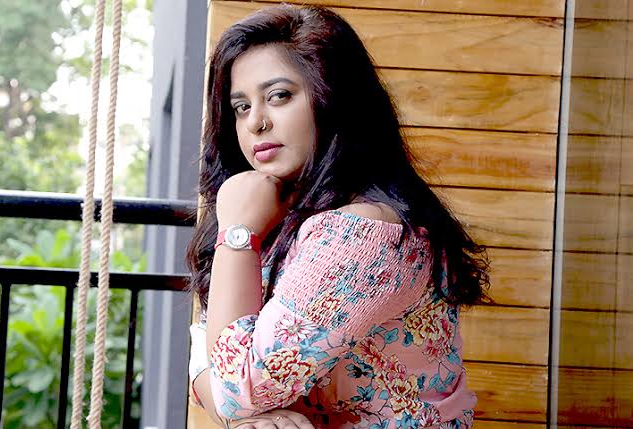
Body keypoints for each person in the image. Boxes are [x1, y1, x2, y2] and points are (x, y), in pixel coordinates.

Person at [185, 4, 490, 428]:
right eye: (240, 106)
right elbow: (210, 350)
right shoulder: (281, 214)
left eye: (279, 96)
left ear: (334, 98)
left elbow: (234, 388)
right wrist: (251, 413)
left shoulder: (366, 234)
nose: (255, 122)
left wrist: (237, 234)